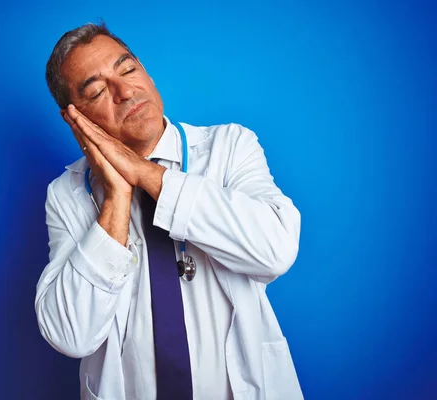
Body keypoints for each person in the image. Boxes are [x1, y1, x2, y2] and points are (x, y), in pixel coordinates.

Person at [35, 22, 304, 400]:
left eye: (128, 70)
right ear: (75, 118)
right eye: (97, 91)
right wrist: (116, 195)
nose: (126, 91)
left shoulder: (230, 146)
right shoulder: (66, 194)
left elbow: (275, 251)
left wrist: (146, 173)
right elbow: (70, 334)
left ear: (144, 70)